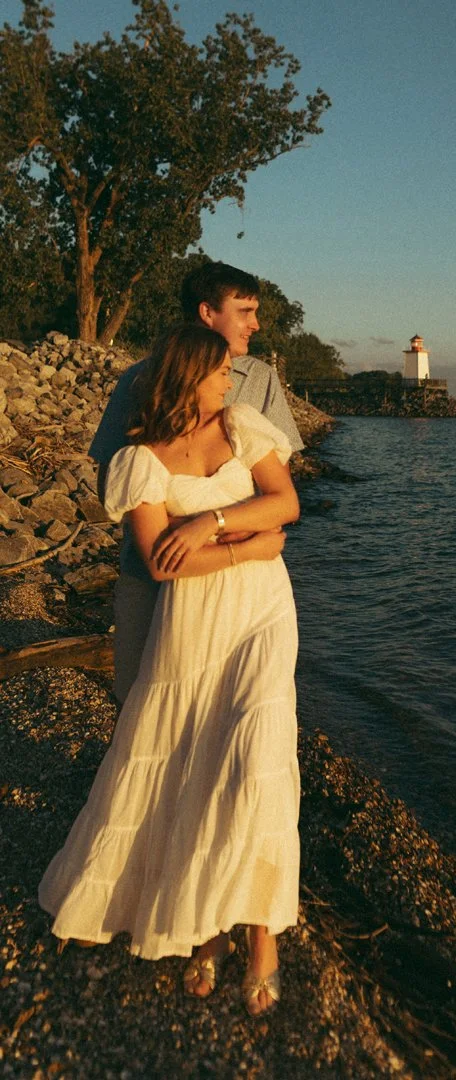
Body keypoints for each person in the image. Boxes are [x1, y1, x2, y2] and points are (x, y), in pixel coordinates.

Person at [39, 325, 300, 1014]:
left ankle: (263, 938)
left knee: (258, 757)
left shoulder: (243, 425)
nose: (229, 382)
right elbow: (160, 562)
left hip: (264, 615)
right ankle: (205, 928)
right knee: (194, 760)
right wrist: (248, 543)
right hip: (193, 622)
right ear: (186, 376)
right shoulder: (140, 461)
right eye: (219, 373)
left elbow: (287, 505)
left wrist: (207, 526)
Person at [89, 262, 304, 704]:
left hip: (247, 586)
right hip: (153, 580)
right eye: (244, 311)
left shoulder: (260, 379)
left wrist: (215, 525)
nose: (256, 324)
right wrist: (180, 537)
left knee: (237, 711)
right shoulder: (138, 380)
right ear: (208, 313)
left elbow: (282, 490)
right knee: (143, 707)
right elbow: (116, 479)